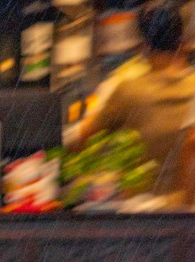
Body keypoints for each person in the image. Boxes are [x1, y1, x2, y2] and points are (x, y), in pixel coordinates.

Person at [74, 1, 195, 197]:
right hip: (187, 207)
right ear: (182, 43)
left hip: (143, 208)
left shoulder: (129, 91)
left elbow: (82, 139)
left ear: (143, 47)